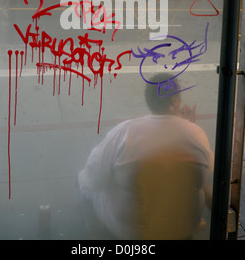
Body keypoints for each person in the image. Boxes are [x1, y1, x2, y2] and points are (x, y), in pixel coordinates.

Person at [77, 73, 214, 240]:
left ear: (148, 100)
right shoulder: (196, 133)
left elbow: (94, 179)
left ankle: (93, 234)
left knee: (83, 179)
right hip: (183, 228)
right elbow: (208, 168)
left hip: (134, 232)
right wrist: (190, 126)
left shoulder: (124, 132)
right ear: (174, 100)